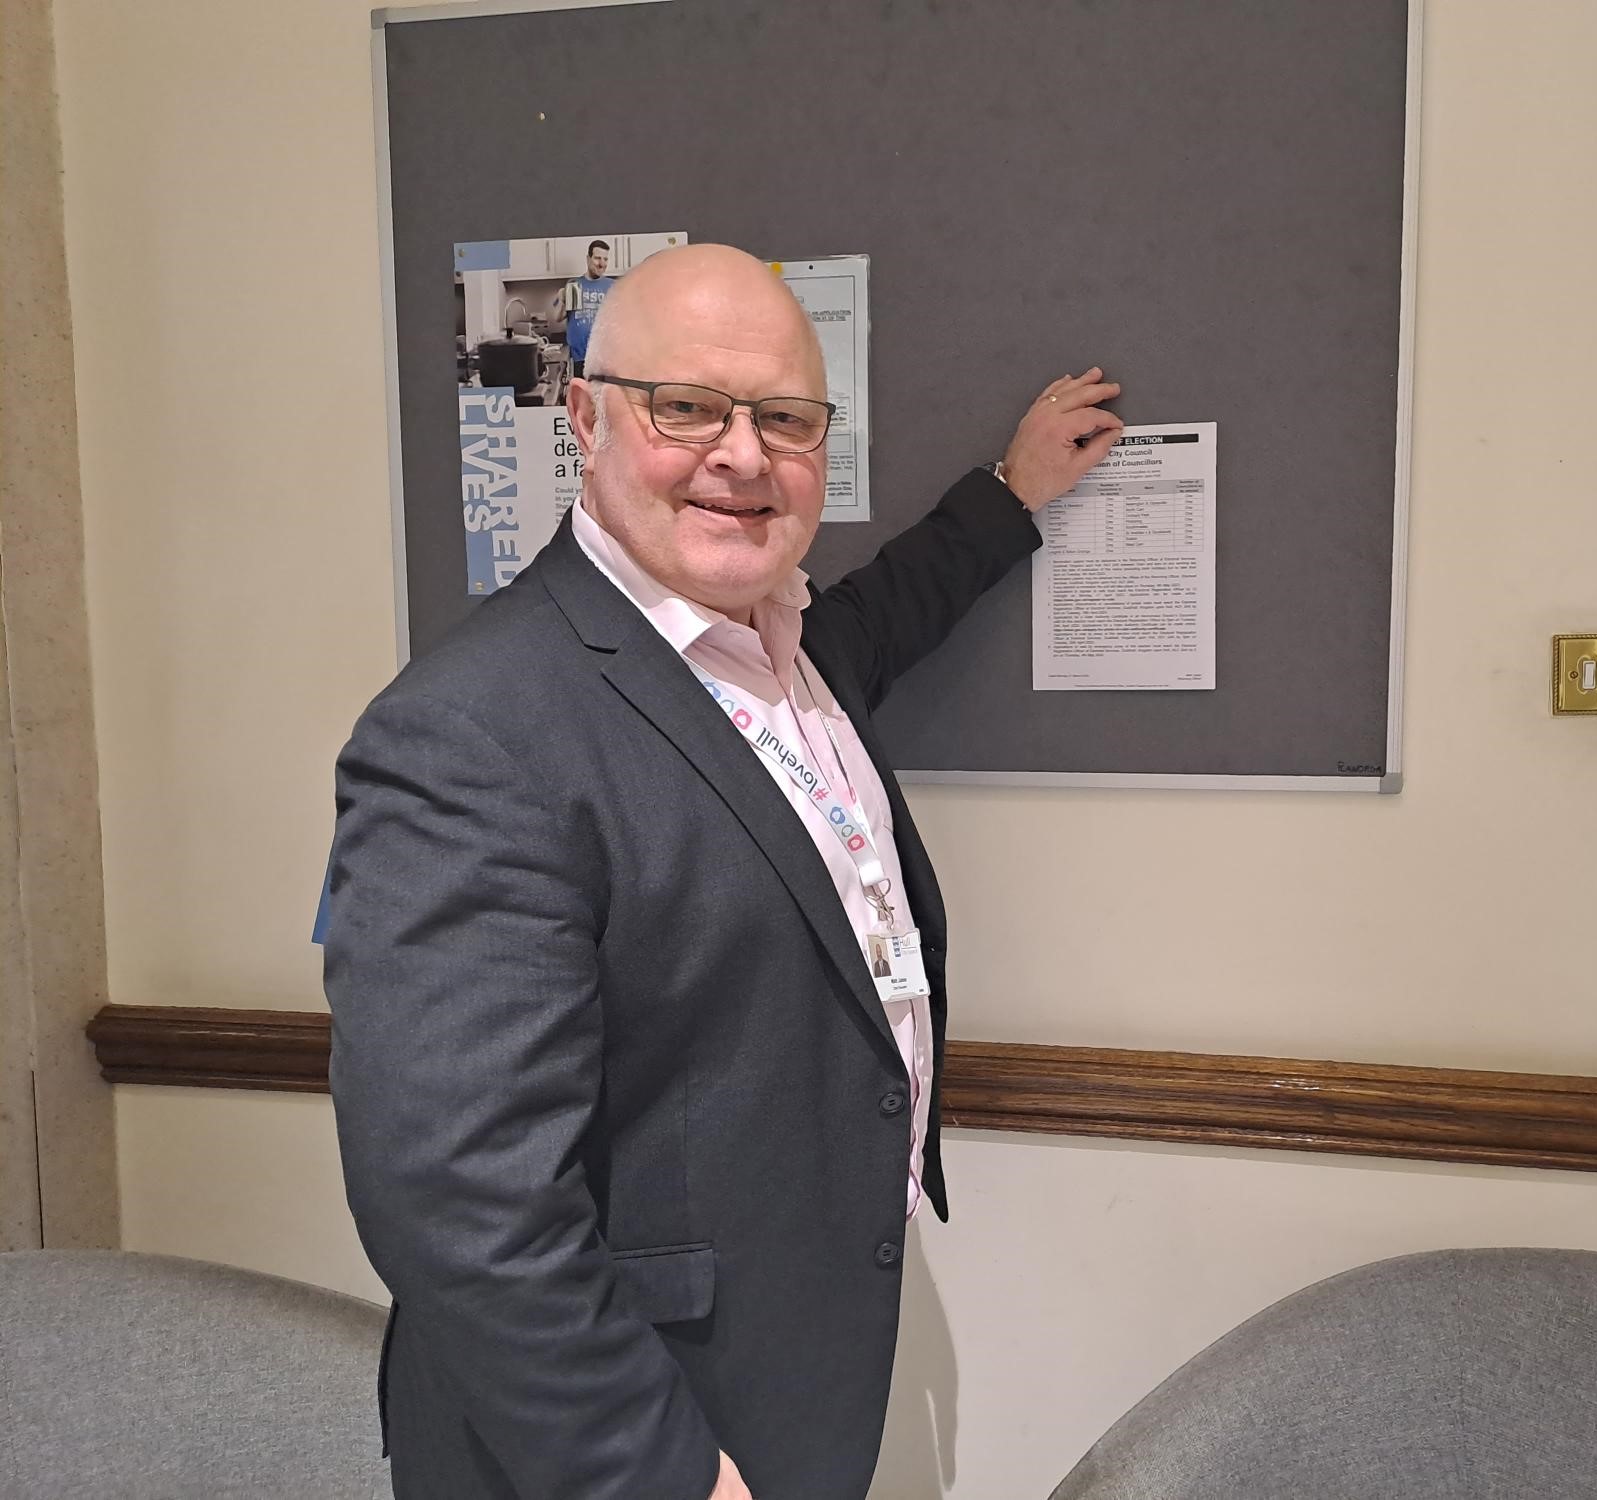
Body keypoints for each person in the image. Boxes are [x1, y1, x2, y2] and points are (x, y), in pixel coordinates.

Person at [324, 242, 1121, 1500]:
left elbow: (894, 603)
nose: (742, 456)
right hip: (626, 1439)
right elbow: (460, 1199)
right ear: (584, 419)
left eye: (784, 418)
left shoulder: (789, 656)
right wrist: (664, 1476)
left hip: (788, 1371)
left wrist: (1012, 492)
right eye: (685, 406)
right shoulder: (472, 732)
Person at [562, 237, 616, 371]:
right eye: (597, 258)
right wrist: (561, 298)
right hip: (579, 357)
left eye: (605, 259)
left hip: (604, 357)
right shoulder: (574, 285)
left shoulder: (613, 286)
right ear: (588, 259)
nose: (602, 263)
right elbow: (558, 317)